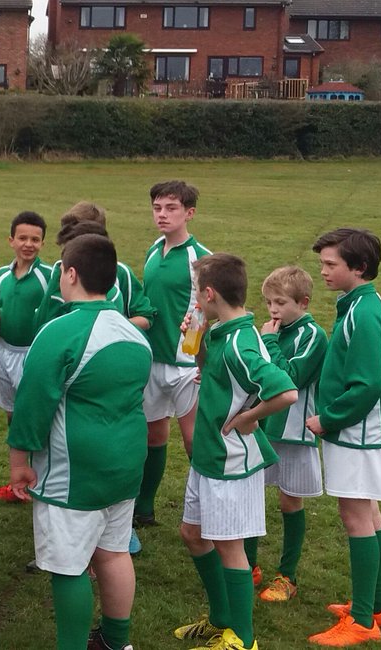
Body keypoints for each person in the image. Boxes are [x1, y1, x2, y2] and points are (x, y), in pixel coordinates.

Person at [8, 233, 152, 650]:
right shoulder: (133, 332)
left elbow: (31, 403)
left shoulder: (60, 331)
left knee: (68, 566)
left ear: (70, 275)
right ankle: (116, 642)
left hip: (74, 471)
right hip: (125, 463)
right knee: (114, 552)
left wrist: (19, 461)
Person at [173, 253, 297, 650]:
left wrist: (249, 417)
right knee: (193, 534)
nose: (196, 299)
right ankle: (220, 620)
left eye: (197, 292)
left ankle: (243, 640)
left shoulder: (242, 344)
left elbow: (286, 391)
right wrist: (196, 345)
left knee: (230, 548)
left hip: (230, 461)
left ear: (210, 294)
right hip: (207, 455)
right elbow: (210, 369)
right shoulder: (221, 331)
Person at [305, 229, 381, 646]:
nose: (322, 271)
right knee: (368, 514)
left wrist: (329, 419)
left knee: (356, 517)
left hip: (355, 432)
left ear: (359, 267)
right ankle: (375, 608)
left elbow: (369, 383)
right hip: (356, 431)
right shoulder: (358, 304)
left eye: (330, 264)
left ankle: (361, 622)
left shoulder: (365, 312)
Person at [135, 180, 211, 530]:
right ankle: (144, 507)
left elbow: (207, 309)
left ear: (189, 213)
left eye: (171, 208)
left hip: (185, 365)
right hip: (152, 361)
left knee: (194, 440)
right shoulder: (154, 249)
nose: (162, 215)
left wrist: (194, 353)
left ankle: (208, 508)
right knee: (153, 436)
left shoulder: (201, 258)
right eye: (157, 208)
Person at [249, 266, 328, 602]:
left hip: (295, 429)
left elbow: (290, 377)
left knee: (289, 499)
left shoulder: (313, 335)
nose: (273, 310)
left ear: (303, 302)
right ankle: (248, 565)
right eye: (269, 302)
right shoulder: (269, 329)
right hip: (262, 425)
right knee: (251, 491)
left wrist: (268, 341)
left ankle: (287, 575)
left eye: (280, 302)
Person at [0, 212, 53, 424]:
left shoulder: (49, 276)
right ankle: (14, 444)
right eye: (22, 238)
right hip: (3, 349)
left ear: (42, 243)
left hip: (32, 352)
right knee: (10, 411)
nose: (28, 244)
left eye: (35, 240)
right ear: (11, 241)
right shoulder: (1, 275)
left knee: (32, 412)